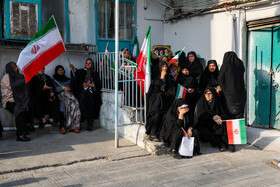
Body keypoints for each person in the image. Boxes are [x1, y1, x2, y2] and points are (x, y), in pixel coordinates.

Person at [194, 87, 235, 152]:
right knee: (208, 132)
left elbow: (224, 114)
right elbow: (201, 116)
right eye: (206, 94)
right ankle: (221, 144)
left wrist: (219, 117)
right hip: (203, 124)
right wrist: (213, 117)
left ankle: (229, 144)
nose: (208, 96)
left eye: (210, 94)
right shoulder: (201, 102)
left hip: (214, 123)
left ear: (213, 94)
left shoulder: (217, 102)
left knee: (221, 127)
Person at [1, 62, 32, 141]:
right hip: (9, 101)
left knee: (29, 103)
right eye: (14, 67)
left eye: (16, 67)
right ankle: (20, 135)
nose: (16, 69)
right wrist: (24, 81)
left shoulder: (19, 76)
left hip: (18, 99)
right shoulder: (7, 77)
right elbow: (14, 87)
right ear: (10, 69)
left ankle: (28, 124)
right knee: (19, 109)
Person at [69, 58, 101, 131]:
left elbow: (98, 84)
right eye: (87, 63)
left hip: (92, 92)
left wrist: (90, 84)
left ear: (92, 64)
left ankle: (90, 124)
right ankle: (84, 117)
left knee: (91, 107)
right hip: (83, 91)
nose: (88, 64)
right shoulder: (82, 71)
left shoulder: (95, 73)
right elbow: (76, 72)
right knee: (82, 104)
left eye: (90, 63)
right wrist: (73, 67)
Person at [53, 65, 81, 134]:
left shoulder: (68, 79)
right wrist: (62, 88)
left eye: (62, 69)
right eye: (59, 70)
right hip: (61, 96)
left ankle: (75, 126)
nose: (61, 71)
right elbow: (54, 89)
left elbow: (72, 87)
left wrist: (69, 89)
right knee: (63, 106)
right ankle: (63, 126)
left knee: (75, 105)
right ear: (56, 71)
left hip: (70, 95)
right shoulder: (54, 80)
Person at [218, 52, 246, 119]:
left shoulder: (225, 65)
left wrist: (223, 89)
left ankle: (232, 128)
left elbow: (220, 78)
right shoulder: (239, 64)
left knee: (229, 111)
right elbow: (243, 71)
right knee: (240, 111)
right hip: (241, 91)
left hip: (229, 93)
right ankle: (239, 126)